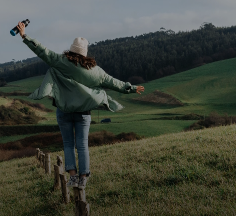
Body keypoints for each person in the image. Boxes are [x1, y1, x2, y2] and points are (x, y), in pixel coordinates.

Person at [16, 22, 144, 189]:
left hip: (64, 111)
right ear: (85, 53)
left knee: (68, 144)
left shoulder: (61, 62)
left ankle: (73, 177)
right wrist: (132, 88)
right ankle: (83, 178)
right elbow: (115, 83)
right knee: (82, 144)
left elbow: (42, 50)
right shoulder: (96, 71)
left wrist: (24, 35)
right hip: (84, 113)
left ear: (71, 49)